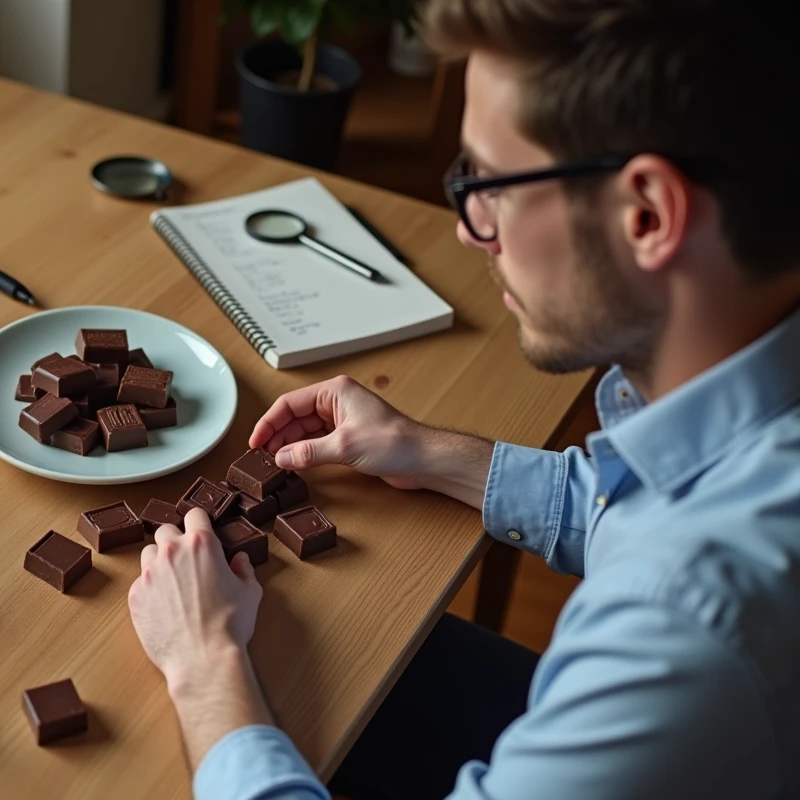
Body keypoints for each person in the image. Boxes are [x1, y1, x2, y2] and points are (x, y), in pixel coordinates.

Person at [127, 0, 800, 798]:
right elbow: (656, 504)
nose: (469, 232)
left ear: (646, 214)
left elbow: (683, 577)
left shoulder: (680, 631)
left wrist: (203, 665)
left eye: (492, 184)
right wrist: (436, 455)